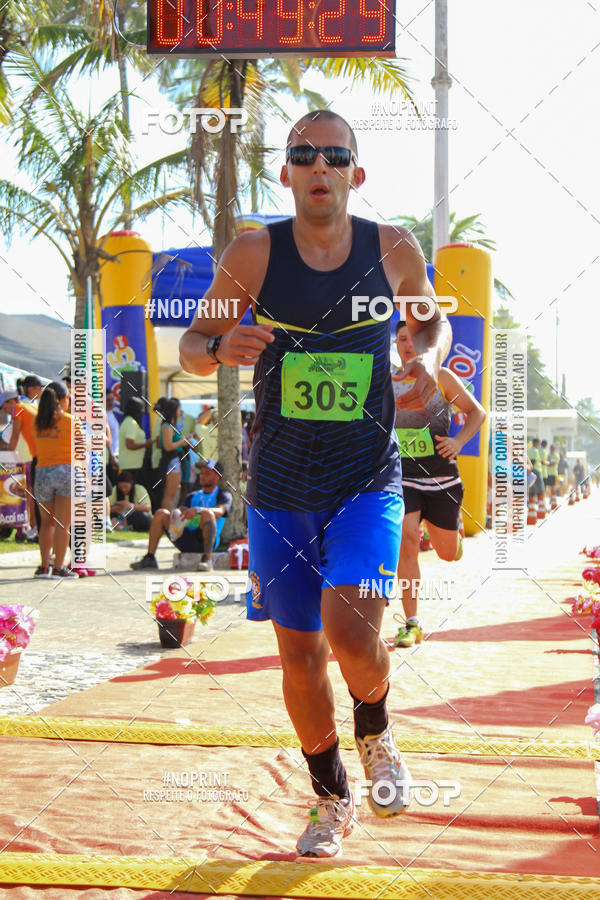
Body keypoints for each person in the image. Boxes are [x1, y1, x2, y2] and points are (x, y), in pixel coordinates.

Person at [179, 109, 452, 858]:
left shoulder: (390, 246)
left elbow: (433, 323)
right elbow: (194, 344)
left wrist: (425, 356)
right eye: (305, 155)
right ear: (288, 172)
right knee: (299, 659)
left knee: (354, 632)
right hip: (279, 488)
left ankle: (377, 730)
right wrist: (218, 347)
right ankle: (331, 800)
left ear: (355, 175)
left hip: (365, 475)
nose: (320, 166)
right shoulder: (254, 251)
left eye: (335, 155)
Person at [392, 320, 486, 647]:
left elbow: (476, 413)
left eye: (412, 338)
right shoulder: (388, 378)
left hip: (442, 477)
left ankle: (453, 534)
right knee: (407, 541)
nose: (406, 344)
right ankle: (411, 623)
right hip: (403, 477)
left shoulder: (443, 377)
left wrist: (459, 442)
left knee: (447, 554)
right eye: (401, 339)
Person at [130, 459, 231, 572]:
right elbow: (181, 510)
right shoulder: (193, 495)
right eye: (201, 473)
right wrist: (178, 513)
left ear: (217, 476)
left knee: (208, 514)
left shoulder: (223, 495)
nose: (202, 476)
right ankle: (150, 557)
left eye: (207, 473)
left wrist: (198, 510)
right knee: (161, 514)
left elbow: (220, 511)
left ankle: (207, 559)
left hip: (205, 541)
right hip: (185, 536)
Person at [32, 381, 77, 579]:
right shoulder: (70, 420)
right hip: (66, 471)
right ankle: (59, 568)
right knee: (62, 523)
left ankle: (43, 567)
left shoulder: (37, 422)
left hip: (42, 472)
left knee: (46, 523)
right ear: (63, 399)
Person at [1, 388, 39, 541]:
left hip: (32, 458)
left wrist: (8, 457)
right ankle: (32, 528)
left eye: (5, 408)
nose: (7, 412)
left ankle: (32, 528)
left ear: (11, 401)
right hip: (37, 456)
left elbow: (15, 435)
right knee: (32, 495)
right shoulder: (29, 407)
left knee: (30, 496)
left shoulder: (19, 409)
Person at [158, 397, 192, 510]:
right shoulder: (167, 427)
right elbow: (168, 446)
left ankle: (167, 518)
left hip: (173, 461)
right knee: (170, 495)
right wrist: (182, 442)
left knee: (171, 494)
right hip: (171, 461)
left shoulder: (169, 426)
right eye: (178, 410)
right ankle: (166, 520)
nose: (179, 412)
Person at [118, 397, 153, 490]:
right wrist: (146, 444)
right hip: (131, 465)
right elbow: (129, 445)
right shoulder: (131, 423)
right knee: (133, 491)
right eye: (140, 409)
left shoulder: (128, 421)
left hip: (132, 464)